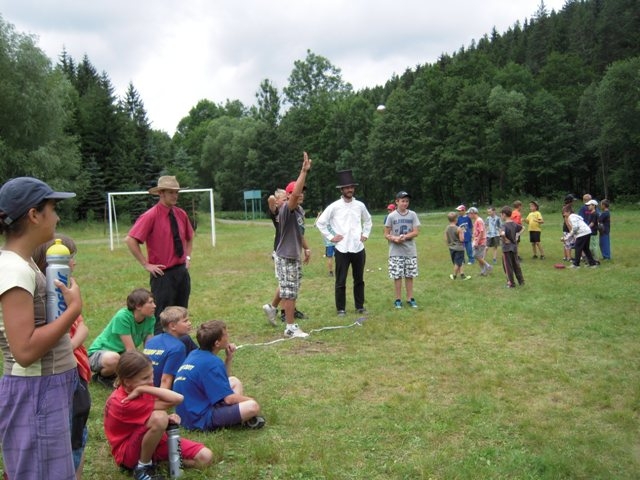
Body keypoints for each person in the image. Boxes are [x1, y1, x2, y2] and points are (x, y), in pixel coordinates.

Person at [0, 177, 82, 480]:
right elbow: (24, 351)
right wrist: (72, 310)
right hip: (35, 390)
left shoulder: (25, 263)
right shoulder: (14, 269)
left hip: (45, 387)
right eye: (53, 209)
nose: (57, 218)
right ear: (34, 215)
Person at [33, 234, 91, 480]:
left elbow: (82, 327)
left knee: (79, 430)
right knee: (71, 433)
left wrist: (70, 345)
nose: (73, 263)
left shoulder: (68, 288)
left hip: (79, 369)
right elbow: (59, 337)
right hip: (64, 372)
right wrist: (69, 347)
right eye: (68, 259)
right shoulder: (47, 295)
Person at [104, 351, 212, 480]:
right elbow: (176, 399)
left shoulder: (140, 387)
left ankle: (158, 462)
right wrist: (145, 391)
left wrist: (143, 388)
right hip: (128, 453)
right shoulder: (123, 402)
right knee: (160, 417)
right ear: (127, 382)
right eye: (145, 378)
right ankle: (143, 467)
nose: (151, 381)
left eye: (152, 374)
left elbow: (175, 399)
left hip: (153, 440)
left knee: (205, 457)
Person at [125, 176, 194, 335]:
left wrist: (187, 258)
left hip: (181, 272)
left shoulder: (181, 214)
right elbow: (130, 240)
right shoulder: (151, 215)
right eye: (171, 192)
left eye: (176, 192)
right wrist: (145, 264)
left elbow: (190, 237)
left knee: (181, 314)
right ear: (161, 193)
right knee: (162, 316)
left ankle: (179, 344)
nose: (175, 196)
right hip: (163, 274)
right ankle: (160, 346)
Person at [173, 320, 265, 431]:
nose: (228, 336)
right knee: (252, 406)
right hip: (199, 418)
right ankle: (237, 419)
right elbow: (229, 399)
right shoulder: (213, 363)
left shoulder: (195, 353)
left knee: (234, 381)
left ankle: (234, 416)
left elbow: (223, 381)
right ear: (217, 343)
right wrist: (251, 400)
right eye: (225, 335)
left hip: (185, 415)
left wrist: (228, 358)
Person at [316, 170, 373, 316]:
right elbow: (321, 222)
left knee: (359, 279)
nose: (350, 190)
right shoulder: (334, 206)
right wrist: (331, 237)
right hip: (342, 248)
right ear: (341, 190)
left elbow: (368, 220)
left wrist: (365, 234)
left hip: (358, 248)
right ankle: (341, 309)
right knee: (340, 280)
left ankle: (359, 306)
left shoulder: (360, 205)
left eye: (351, 187)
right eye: (347, 187)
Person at [274, 152, 312, 338]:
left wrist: (306, 248)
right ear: (289, 195)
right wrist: (303, 171)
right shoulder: (286, 209)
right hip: (286, 256)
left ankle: (288, 322)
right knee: (288, 292)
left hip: (294, 255)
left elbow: (299, 233)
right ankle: (290, 327)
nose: (301, 194)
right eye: (298, 191)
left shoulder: (299, 211)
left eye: (303, 191)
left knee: (292, 290)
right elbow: (295, 194)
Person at [88, 288, 156, 387]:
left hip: (122, 354)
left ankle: (117, 375)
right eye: (150, 303)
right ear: (138, 306)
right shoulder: (123, 317)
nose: (154, 306)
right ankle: (102, 377)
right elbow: (131, 350)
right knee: (114, 359)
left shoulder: (150, 318)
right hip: (99, 354)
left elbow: (150, 347)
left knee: (123, 359)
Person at [262, 188, 308, 325]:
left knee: (287, 284)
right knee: (286, 285)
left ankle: (273, 308)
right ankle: (283, 312)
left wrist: (306, 248)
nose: (287, 200)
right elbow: (271, 202)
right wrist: (275, 200)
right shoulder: (278, 211)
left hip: (291, 251)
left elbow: (300, 233)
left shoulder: (296, 210)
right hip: (281, 252)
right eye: (285, 199)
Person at [384, 191, 420, 308]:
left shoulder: (413, 214)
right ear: (397, 202)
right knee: (397, 276)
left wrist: (405, 237)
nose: (405, 203)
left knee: (409, 275)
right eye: (403, 201)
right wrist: (394, 238)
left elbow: (416, 232)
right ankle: (398, 299)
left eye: (407, 201)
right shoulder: (391, 216)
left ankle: (410, 298)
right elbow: (386, 233)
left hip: (410, 251)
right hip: (395, 251)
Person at [143, 306, 192, 390]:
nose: (189, 323)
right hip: (158, 391)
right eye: (185, 321)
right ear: (172, 326)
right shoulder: (177, 347)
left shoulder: (152, 341)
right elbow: (165, 380)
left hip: (144, 387)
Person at [499, 205, 525, 288]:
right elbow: (523, 228)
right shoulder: (514, 224)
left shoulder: (504, 225)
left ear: (504, 214)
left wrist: (505, 239)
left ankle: (511, 283)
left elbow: (502, 233)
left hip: (506, 249)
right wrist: (517, 235)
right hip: (514, 247)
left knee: (508, 266)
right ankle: (521, 281)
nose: (501, 216)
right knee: (516, 264)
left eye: (501, 215)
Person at [445, 212, 470, 280]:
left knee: (460, 261)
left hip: (451, 248)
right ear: (456, 219)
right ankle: (454, 276)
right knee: (458, 263)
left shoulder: (447, 228)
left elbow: (446, 238)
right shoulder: (458, 228)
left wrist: (449, 244)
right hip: (459, 248)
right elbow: (462, 239)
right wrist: (462, 233)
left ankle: (462, 274)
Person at [468, 207, 492, 276]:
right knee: (479, 257)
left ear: (473, 213)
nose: (469, 215)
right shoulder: (476, 220)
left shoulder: (479, 220)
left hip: (480, 242)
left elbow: (481, 232)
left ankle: (488, 266)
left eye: (469, 214)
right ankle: (483, 271)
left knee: (476, 255)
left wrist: (477, 242)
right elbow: (477, 231)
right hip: (477, 241)